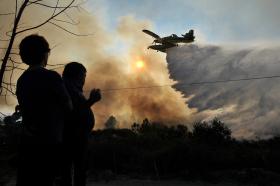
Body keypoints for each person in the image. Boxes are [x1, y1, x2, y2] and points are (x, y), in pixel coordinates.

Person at [16, 34, 73, 186]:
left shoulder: (21, 80)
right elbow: (68, 106)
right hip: (50, 143)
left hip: (28, 143)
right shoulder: (51, 77)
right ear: (44, 54)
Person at [61, 62, 101, 186]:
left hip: (78, 137)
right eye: (83, 75)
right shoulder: (67, 88)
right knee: (72, 171)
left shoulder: (72, 88)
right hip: (72, 137)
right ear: (77, 75)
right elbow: (72, 113)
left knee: (77, 170)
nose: (84, 79)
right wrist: (91, 101)